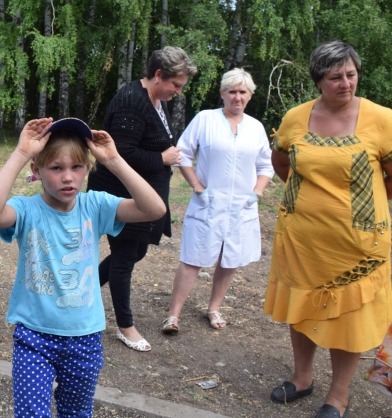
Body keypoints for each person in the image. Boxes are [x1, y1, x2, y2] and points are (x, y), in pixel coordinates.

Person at [0, 117, 165, 418]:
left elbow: (154, 209)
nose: (68, 177)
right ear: (37, 171)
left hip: (85, 338)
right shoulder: (26, 209)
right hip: (34, 338)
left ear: (87, 168)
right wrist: (21, 153)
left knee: (76, 413)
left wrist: (114, 161)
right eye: (56, 168)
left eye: (77, 167)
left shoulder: (95, 206)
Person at [265, 41, 392, 418]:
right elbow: (282, 163)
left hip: (357, 244)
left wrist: (361, 205)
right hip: (300, 238)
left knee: (347, 317)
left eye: (351, 75)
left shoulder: (382, 119)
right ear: (318, 80)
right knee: (301, 306)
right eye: (336, 77)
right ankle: (302, 378)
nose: (345, 83)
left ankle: (338, 396)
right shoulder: (296, 118)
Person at [86, 46, 197, 352]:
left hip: (142, 196)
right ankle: (125, 327)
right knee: (124, 258)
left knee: (135, 253)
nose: (178, 91)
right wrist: (162, 158)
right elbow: (118, 154)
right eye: (176, 84)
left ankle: (81, 292)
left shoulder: (154, 99)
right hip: (121, 195)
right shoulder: (132, 102)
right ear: (158, 74)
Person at [161, 68, 273, 334]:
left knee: (229, 259)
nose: (237, 97)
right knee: (192, 258)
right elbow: (182, 154)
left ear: (250, 95)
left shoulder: (255, 128)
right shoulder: (205, 119)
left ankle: (214, 308)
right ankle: (173, 315)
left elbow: (265, 164)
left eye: (242, 92)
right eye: (232, 91)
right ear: (222, 93)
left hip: (241, 207)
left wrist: (257, 191)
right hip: (208, 203)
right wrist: (197, 186)